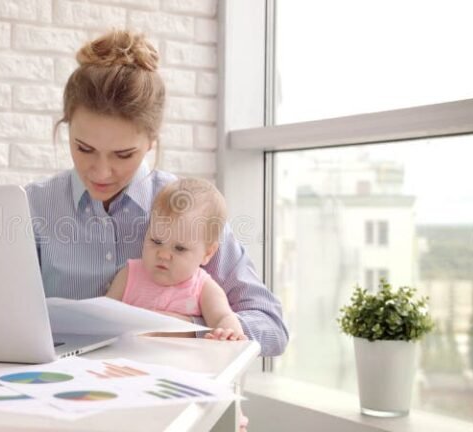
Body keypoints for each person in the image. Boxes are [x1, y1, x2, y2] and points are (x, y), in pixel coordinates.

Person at [25, 29, 288, 357]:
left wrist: (188, 328)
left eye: (123, 155)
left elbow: (272, 327)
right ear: (67, 128)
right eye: (84, 148)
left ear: (151, 141)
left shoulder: (190, 209)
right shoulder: (32, 206)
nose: (101, 172)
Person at [106, 178, 246, 341]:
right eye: (156, 241)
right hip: (128, 356)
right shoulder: (129, 275)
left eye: (179, 248)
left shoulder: (202, 288)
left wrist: (229, 333)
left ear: (207, 253)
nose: (163, 254)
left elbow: (223, 317)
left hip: (185, 357)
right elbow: (103, 314)